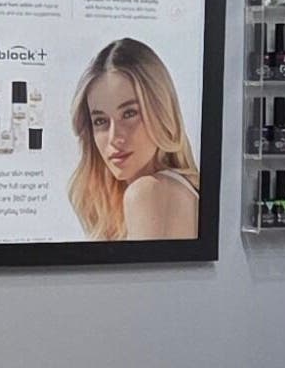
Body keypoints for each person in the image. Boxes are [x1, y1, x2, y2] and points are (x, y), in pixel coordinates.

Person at [67, 38, 200, 242]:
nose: (114, 137)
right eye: (100, 120)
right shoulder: (178, 188)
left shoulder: (147, 192)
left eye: (129, 114)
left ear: (160, 110)